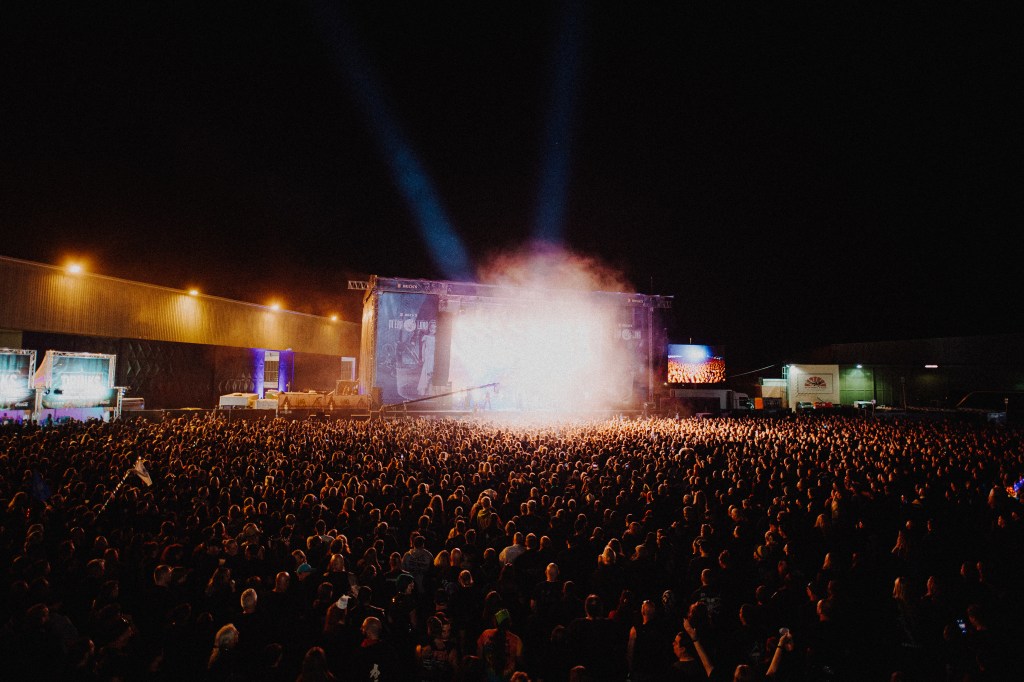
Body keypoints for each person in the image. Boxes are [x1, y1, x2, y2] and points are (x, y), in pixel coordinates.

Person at [477, 608, 523, 682]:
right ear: (510, 623)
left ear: (495, 622)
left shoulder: (485, 634)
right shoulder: (516, 640)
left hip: (488, 678)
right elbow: (520, 661)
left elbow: (479, 657)